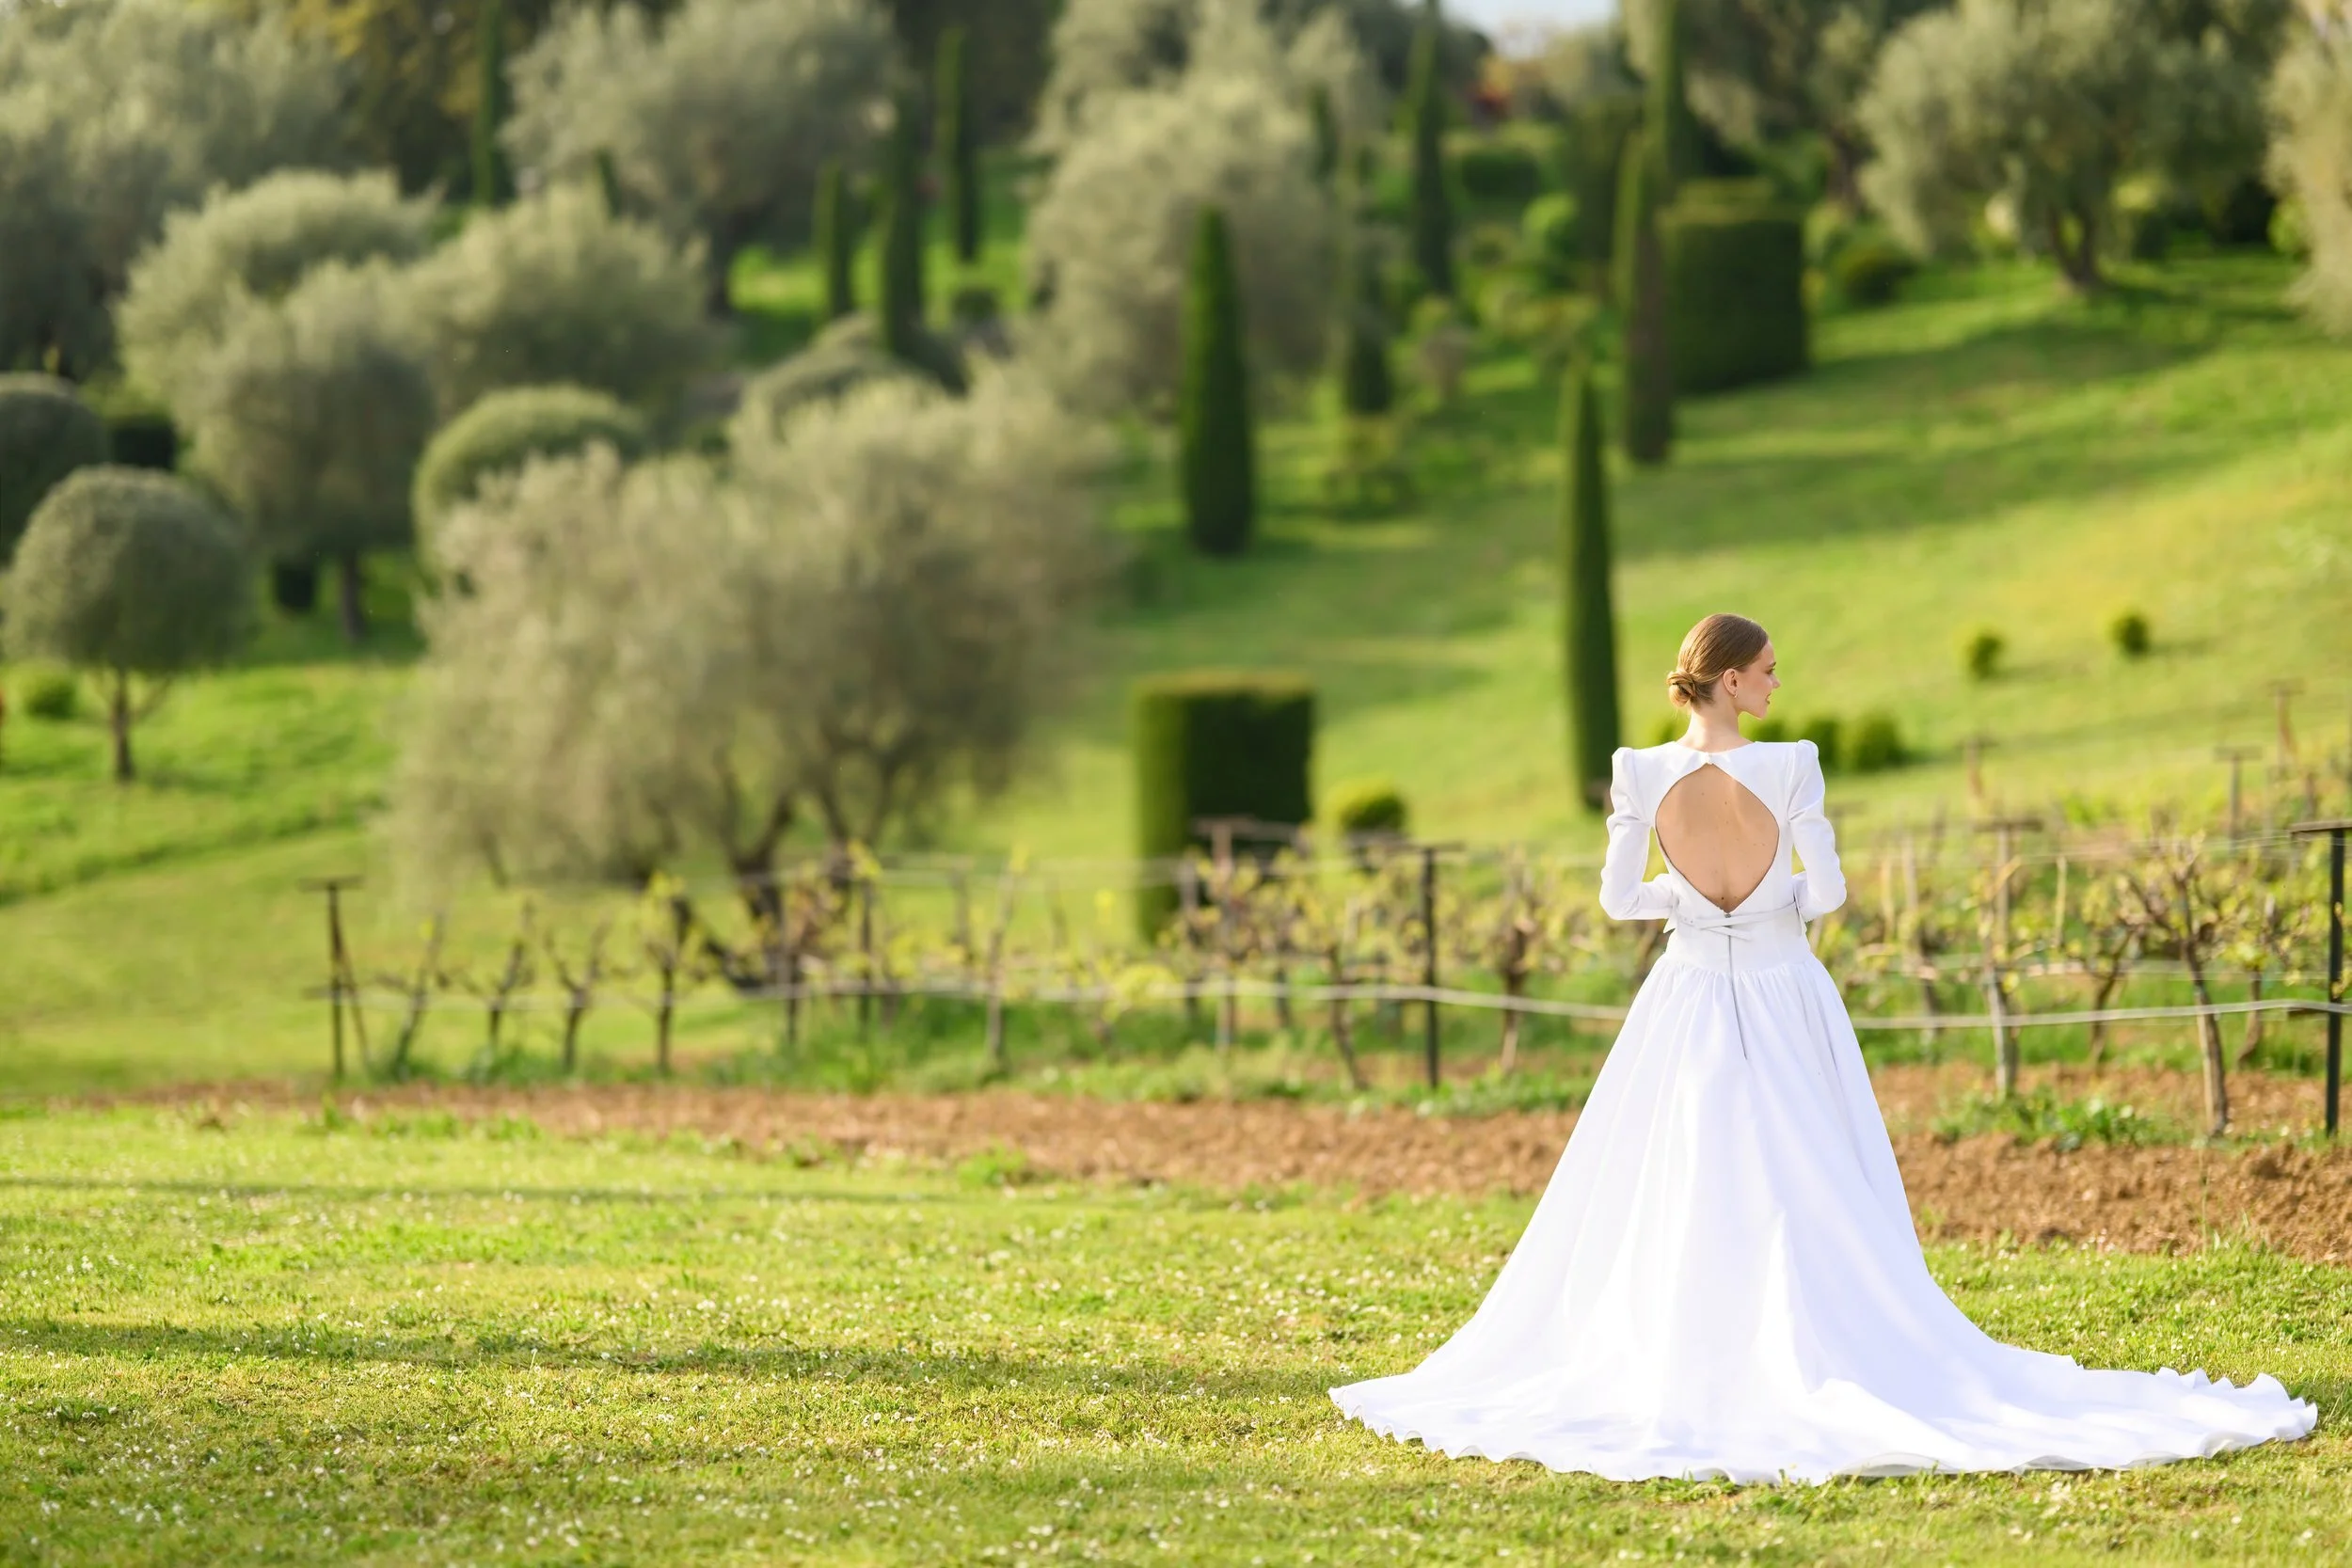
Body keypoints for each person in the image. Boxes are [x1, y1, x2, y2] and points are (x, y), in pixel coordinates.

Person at [1330, 612, 2316, 1482]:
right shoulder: (1790, 762)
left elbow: (1620, 899)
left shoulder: (1640, 770)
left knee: (1684, 1165)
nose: (1774, 686)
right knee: (1807, 1164)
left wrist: (1688, 902)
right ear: (1727, 680)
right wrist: (1773, 907)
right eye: (1764, 670)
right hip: (1782, 984)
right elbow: (1830, 892)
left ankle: (1694, 1339)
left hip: (1686, 993)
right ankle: (1821, 1333)